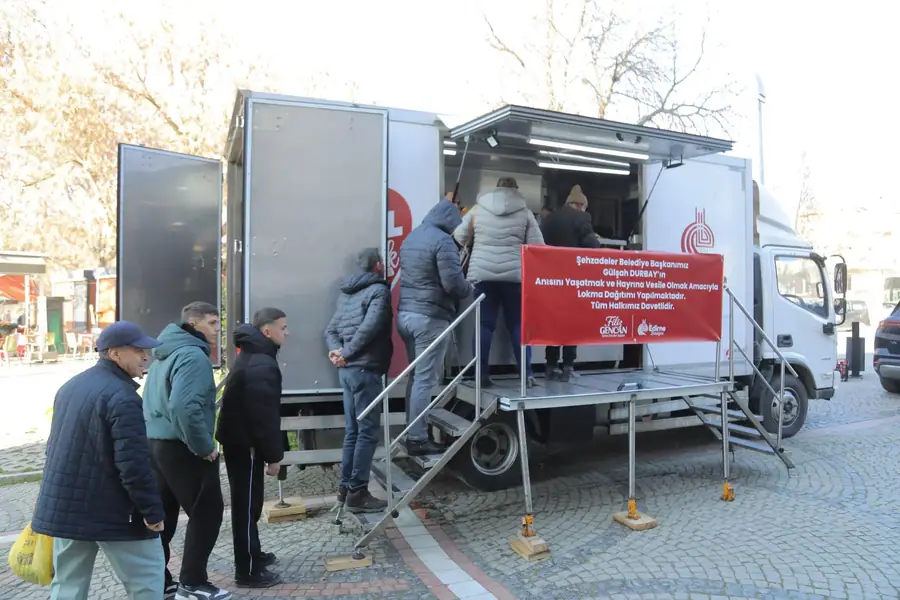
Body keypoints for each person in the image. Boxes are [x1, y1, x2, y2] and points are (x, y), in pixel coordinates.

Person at [32, 321, 166, 600]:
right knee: (148, 580)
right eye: (138, 350)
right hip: (114, 510)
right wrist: (152, 512)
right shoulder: (123, 397)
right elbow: (133, 465)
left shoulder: (71, 386)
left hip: (68, 507)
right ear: (115, 354)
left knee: (68, 584)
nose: (146, 356)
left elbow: (56, 448)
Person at [142, 302, 230, 600]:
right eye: (213, 323)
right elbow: (184, 406)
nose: (218, 330)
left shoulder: (163, 354)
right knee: (208, 512)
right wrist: (204, 446)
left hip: (157, 445)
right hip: (183, 447)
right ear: (193, 325)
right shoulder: (193, 356)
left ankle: (160, 581)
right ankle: (192, 583)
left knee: (163, 516)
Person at [216, 308, 288, 588]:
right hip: (243, 442)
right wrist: (274, 457)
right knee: (246, 507)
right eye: (283, 327)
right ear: (267, 331)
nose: (287, 332)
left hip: (241, 439)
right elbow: (264, 415)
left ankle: (253, 554)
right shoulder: (261, 362)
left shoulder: (255, 355)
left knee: (251, 502)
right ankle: (246, 571)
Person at [453, 176, 544, 388]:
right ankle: (526, 373)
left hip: (482, 276)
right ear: (516, 189)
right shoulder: (525, 212)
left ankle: (481, 375)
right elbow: (538, 247)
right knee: (518, 325)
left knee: (484, 325)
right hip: (514, 277)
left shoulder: (478, 209)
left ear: (496, 189)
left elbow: (459, 236)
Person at [398, 199, 473, 455]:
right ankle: (417, 439)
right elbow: (453, 284)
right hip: (429, 318)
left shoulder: (412, 237)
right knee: (425, 380)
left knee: (415, 378)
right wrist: (469, 287)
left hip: (406, 315)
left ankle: (413, 431)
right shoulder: (442, 242)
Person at [325, 248, 393, 510]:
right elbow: (370, 327)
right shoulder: (379, 291)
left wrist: (338, 352)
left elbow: (331, 329)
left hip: (347, 371)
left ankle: (345, 488)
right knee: (366, 433)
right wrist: (348, 353)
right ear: (377, 265)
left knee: (352, 432)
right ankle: (358, 493)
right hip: (366, 370)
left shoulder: (346, 293)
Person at [540, 184, 601, 382]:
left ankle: (550, 366)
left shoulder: (549, 220)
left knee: (553, 323)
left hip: (550, 279)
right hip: (573, 279)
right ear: (581, 205)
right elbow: (592, 246)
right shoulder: (581, 218)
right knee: (570, 324)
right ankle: (567, 367)